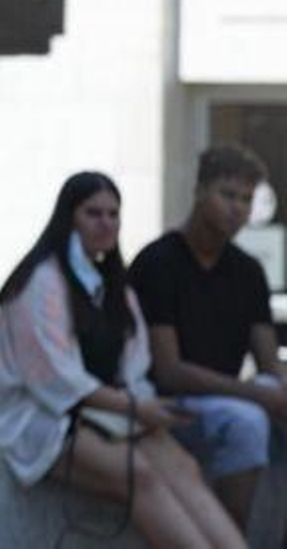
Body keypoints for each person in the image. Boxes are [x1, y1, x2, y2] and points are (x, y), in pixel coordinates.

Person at [0, 171, 243, 549]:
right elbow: (58, 381)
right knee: (141, 475)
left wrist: (141, 408)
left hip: (109, 412)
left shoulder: (111, 283)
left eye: (113, 214)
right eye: (94, 213)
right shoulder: (39, 282)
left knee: (184, 468)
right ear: (69, 217)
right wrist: (136, 409)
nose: (106, 223)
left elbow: (133, 363)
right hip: (42, 420)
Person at [129, 144, 286, 532]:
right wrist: (258, 393)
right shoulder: (158, 262)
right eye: (228, 194)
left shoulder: (248, 271)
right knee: (246, 420)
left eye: (247, 199)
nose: (238, 208)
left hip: (228, 398)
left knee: (259, 403)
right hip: (165, 407)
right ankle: (228, 536)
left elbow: (268, 364)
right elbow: (169, 371)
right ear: (200, 191)